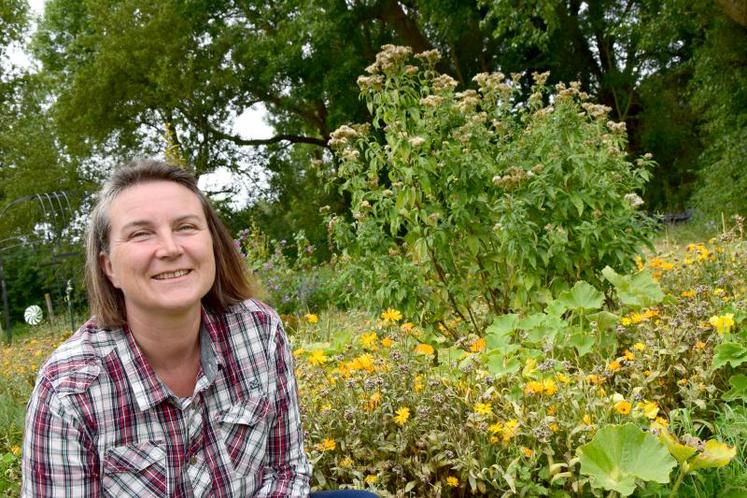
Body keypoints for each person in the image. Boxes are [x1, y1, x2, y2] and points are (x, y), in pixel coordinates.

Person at [22, 159, 377, 498]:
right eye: (141, 234)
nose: (171, 248)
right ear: (109, 267)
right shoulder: (68, 391)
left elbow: (284, 469)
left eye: (185, 227)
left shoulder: (258, 331)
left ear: (212, 243)